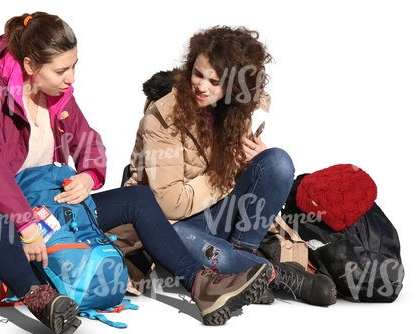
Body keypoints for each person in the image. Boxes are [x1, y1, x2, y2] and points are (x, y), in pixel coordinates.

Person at [0, 13, 270, 334]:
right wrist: (27, 224)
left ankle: (201, 285)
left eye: (74, 66)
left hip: (46, 204)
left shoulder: (58, 95)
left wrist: (90, 177)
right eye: (61, 71)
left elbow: (89, 141)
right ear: (30, 65)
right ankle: (42, 301)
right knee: (3, 223)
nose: (71, 79)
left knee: (139, 198)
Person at [123, 25, 336, 306]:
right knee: (186, 240)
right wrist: (224, 174)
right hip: (172, 222)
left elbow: (241, 177)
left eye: (215, 81)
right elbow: (170, 204)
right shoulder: (161, 119)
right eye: (198, 74)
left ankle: (242, 259)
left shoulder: (235, 111)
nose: (202, 86)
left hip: (216, 211)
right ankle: (278, 275)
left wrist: (252, 160)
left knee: (278, 162)